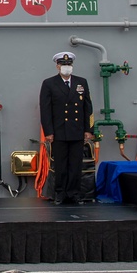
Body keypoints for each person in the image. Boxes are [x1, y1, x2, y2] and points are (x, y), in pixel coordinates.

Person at [39, 52, 93, 205]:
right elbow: (45, 109)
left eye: (69, 65)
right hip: (59, 131)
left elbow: (88, 107)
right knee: (61, 165)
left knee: (76, 165)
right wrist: (48, 132)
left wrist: (89, 129)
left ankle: (74, 193)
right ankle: (60, 193)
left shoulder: (81, 82)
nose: (66, 67)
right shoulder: (49, 83)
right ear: (57, 66)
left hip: (77, 130)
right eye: (63, 65)